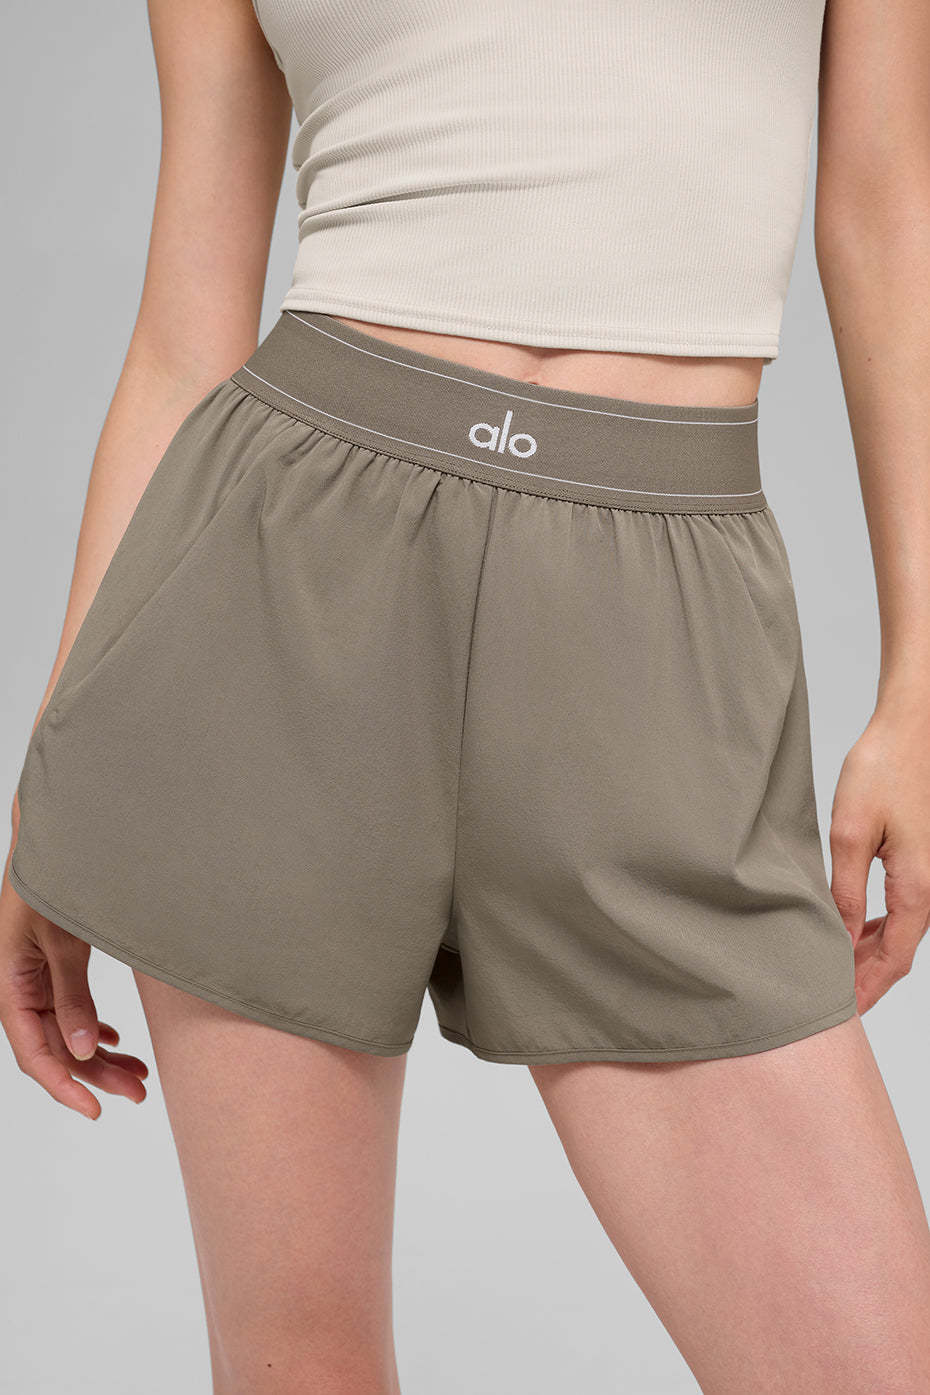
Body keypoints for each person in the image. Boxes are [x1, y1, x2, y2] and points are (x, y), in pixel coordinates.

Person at [3, 0, 930, 1390]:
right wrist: (57, 769)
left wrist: (921, 680)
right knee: (297, 1365)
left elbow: (887, 207)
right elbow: (184, 337)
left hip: (654, 622)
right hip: (278, 590)